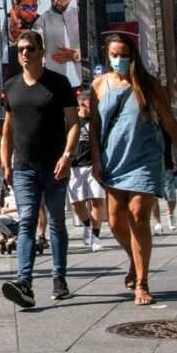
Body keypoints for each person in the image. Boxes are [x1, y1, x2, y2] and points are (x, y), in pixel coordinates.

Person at [90, 33, 177, 306]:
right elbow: (94, 129)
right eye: (114, 55)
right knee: (114, 223)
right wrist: (96, 160)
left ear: (133, 55)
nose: (118, 60)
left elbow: (170, 122)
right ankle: (135, 262)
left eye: (124, 54)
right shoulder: (99, 85)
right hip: (113, 160)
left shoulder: (148, 84)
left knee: (138, 215)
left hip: (145, 159)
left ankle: (142, 282)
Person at [0, 31, 79, 308]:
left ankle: (59, 279)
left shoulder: (59, 82)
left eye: (30, 48)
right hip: (23, 167)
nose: (24, 53)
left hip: (56, 165)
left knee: (56, 222)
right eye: (20, 49)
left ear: (41, 51)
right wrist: (4, 160)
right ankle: (25, 283)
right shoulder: (11, 85)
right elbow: (8, 127)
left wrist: (68, 156)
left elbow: (74, 123)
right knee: (27, 222)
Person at [68, 90, 105, 252]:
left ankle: (95, 237)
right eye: (92, 103)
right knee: (77, 204)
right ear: (83, 103)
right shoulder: (72, 120)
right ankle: (88, 226)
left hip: (94, 165)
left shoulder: (98, 120)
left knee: (97, 201)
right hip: (75, 167)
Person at [34, 0, 82, 87]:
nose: (57, 2)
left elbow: (93, 46)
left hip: (83, 79)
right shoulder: (43, 20)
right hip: (55, 83)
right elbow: (36, 51)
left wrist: (75, 55)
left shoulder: (79, 14)